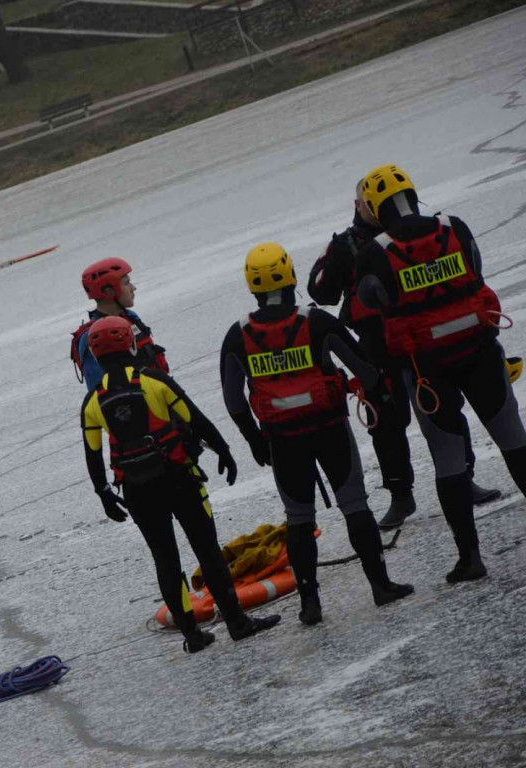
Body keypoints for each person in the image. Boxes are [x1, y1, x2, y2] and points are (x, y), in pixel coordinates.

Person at [221, 243, 414, 625]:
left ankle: (310, 604)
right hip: (329, 430)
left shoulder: (238, 335)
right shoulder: (317, 322)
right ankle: (380, 586)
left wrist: (255, 441)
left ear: (252, 286)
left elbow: (234, 400)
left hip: (283, 439)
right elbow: (368, 370)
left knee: (298, 518)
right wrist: (365, 389)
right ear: (291, 276)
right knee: (355, 505)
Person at [355, 164, 526, 583]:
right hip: (482, 356)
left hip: (428, 372)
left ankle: (471, 558)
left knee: (449, 462)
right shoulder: (455, 227)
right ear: (413, 194)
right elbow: (476, 272)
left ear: (376, 209)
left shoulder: (373, 251)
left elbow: (371, 301)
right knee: (514, 440)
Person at [81, 315, 281, 653]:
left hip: (137, 490)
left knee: (165, 559)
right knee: (207, 550)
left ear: (96, 356)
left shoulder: (92, 402)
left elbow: (93, 455)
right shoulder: (155, 381)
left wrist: (104, 494)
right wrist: (225, 450)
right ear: (130, 344)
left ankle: (192, 636)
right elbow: (195, 419)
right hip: (178, 478)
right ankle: (237, 622)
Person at [309, 180, 501, 529]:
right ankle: (401, 496)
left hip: (420, 341)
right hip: (375, 349)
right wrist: (336, 257)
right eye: (368, 203)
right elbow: (320, 292)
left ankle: (464, 477)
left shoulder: (419, 233)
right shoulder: (345, 246)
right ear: (359, 204)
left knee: (444, 411)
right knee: (386, 422)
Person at [72, 258, 168, 391]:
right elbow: (98, 389)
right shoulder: (91, 336)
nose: (133, 288)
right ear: (110, 292)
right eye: (127, 283)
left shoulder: (131, 317)